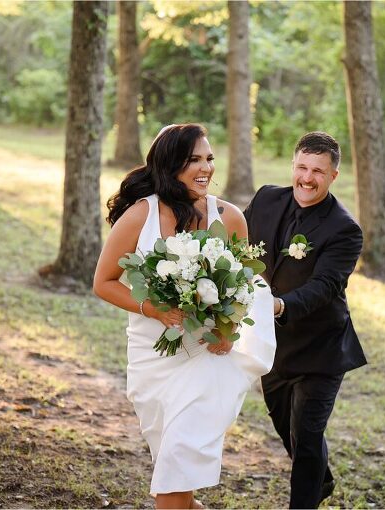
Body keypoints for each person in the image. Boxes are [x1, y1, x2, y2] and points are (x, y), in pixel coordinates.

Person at [93, 124, 276, 509]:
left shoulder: (229, 218)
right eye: (194, 159)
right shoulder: (139, 216)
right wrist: (154, 309)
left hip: (209, 359)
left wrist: (229, 331)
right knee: (174, 475)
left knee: (176, 465)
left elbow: (248, 286)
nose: (205, 167)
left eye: (209, 158)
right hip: (152, 359)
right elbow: (104, 282)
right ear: (170, 164)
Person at [243, 131, 366, 508]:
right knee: (288, 432)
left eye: (318, 171)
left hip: (321, 349)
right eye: (302, 167)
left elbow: (325, 286)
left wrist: (277, 306)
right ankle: (319, 479)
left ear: (333, 176)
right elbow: (237, 248)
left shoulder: (345, 229)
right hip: (274, 346)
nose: (307, 178)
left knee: (307, 435)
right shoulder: (266, 199)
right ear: (293, 166)